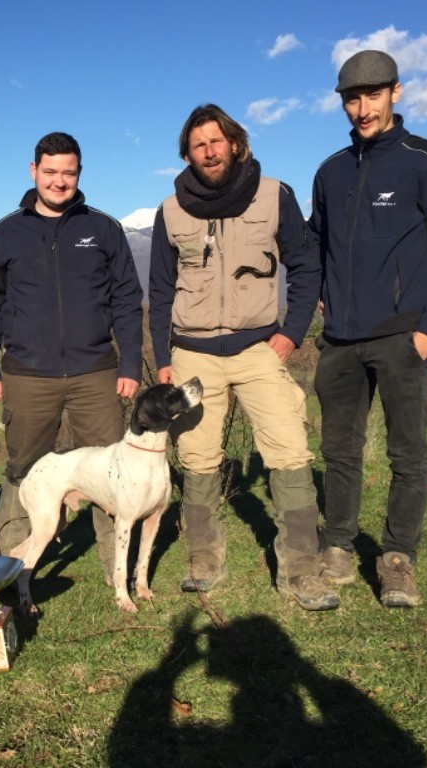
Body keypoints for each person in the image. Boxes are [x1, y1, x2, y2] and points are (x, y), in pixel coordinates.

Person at [148, 104, 338, 611]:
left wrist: (290, 334)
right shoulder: (170, 210)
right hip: (192, 354)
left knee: (289, 450)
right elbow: (161, 288)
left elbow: (304, 267)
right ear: (186, 154)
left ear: (235, 143)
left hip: (258, 349)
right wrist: (162, 357)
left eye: (216, 141)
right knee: (197, 456)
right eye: (197, 145)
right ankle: (203, 559)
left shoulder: (275, 195)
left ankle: (301, 569)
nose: (208, 151)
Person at [310, 50, 427, 607]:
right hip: (340, 342)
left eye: (373, 95)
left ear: (396, 93)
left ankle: (398, 558)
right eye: (352, 99)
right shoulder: (331, 170)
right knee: (339, 450)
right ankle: (336, 544)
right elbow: (315, 247)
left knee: (408, 455)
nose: (362, 108)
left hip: (404, 336)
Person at [0, 132, 143, 583]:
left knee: (110, 470)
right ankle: (12, 565)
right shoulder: (5, 232)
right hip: (28, 373)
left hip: (96, 372)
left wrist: (130, 363)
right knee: (22, 468)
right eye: (50, 172)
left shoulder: (103, 228)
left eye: (68, 172)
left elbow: (127, 299)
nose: (59, 181)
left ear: (79, 174)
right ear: (33, 172)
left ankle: (116, 567)